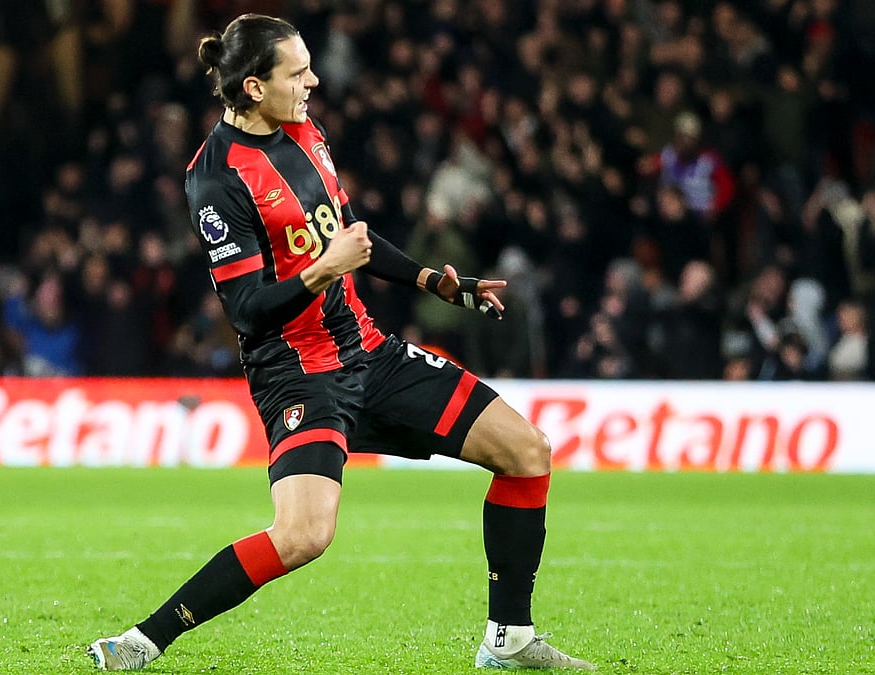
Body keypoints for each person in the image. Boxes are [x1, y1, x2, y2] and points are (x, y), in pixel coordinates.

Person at [87, 14, 595, 672]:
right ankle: (142, 641)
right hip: (298, 375)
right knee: (303, 535)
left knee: (526, 452)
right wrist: (323, 268)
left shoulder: (305, 131)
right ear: (253, 88)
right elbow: (246, 309)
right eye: (297, 73)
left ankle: (510, 639)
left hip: (370, 352)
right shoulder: (216, 179)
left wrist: (433, 281)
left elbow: (350, 231)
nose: (314, 82)